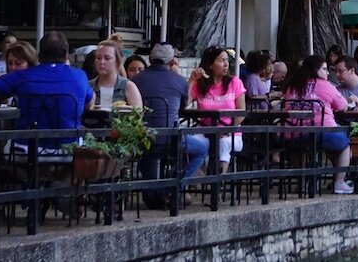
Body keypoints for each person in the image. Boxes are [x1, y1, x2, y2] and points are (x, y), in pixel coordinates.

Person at [0, 31, 92, 151]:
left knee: (5, 153)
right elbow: (89, 103)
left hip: (26, 149)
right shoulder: (80, 76)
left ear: (40, 53)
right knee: (79, 164)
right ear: (66, 53)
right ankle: (59, 181)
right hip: (68, 149)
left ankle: (32, 181)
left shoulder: (23, 76)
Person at [132, 42, 210, 209]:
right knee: (202, 149)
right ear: (172, 61)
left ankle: (158, 191)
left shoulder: (136, 80)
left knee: (148, 157)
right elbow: (183, 106)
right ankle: (175, 185)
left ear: (151, 59)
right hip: (171, 141)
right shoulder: (179, 81)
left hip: (142, 141)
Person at [282, 55, 354, 194]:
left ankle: (302, 182)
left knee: (299, 148)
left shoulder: (292, 85)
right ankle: (339, 182)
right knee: (345, 144)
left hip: (293, 132)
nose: (327, 73)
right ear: (316, 70)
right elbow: (343, 106)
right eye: (325, 69)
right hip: (322, 131)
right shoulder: (326, 85)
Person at [188, 45, 247, 173]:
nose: (226, 64)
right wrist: (192, 81)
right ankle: (199, 183)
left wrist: (227, 130)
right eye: (221, 60)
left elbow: (242, 112)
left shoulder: (235, 83)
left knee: (224, 144)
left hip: (230, 133)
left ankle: (219, 184)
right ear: (210, 65)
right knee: (191, 144)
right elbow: (184, 104)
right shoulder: (200, 84)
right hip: (205, 131)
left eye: (227, 60)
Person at [89, 41, 143, 109]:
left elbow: (137, 116)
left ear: (117, 62)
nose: (102, 62)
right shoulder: (88, 87)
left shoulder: (128, 87)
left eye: (107, 58)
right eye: (98, 58)